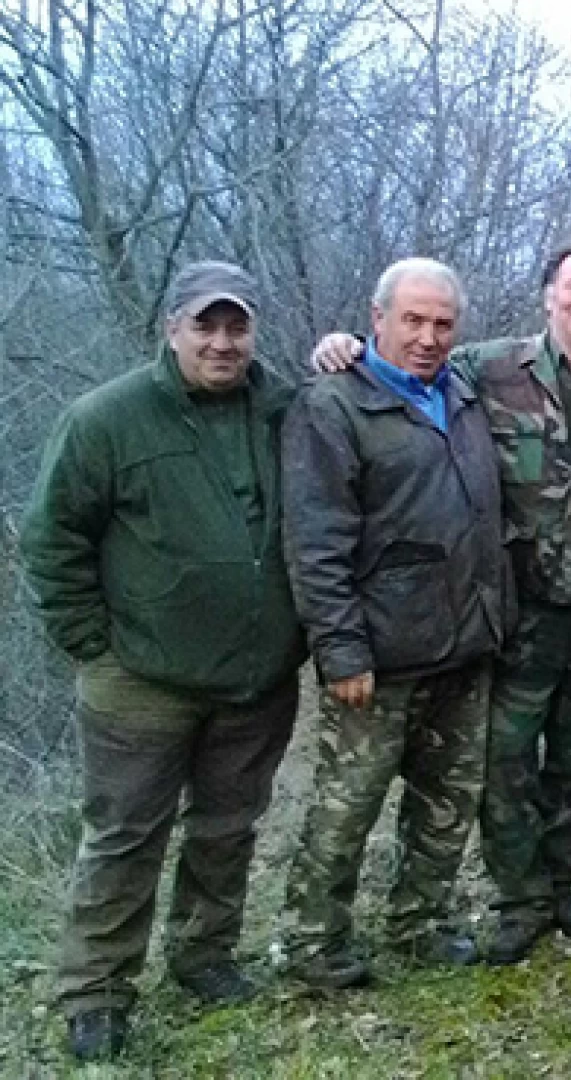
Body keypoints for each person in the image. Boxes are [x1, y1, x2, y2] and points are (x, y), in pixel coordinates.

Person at [309, 244, 571, 964]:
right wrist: (343, 346)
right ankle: (518, 900)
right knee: (507, 765)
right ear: (548, 295)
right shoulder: (483, 369)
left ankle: (560, 890)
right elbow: (401, 373)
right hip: (513, 613)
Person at [20, 262, 305, 1061]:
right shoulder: (107, 419)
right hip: (139, 679)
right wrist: (89, 641)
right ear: (170, 328)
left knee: (228, 828)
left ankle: (204, 957)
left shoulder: (283, 409)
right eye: (204, 326)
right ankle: (97, 991)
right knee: (123, 836)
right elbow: (51, 539)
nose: (221, 343)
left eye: (235, 327)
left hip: (256, 674)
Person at [278, 258, 513, 988]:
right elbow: (315, 542)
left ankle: (421, 922)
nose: (427, 336)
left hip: (465, 640)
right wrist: (341, 649)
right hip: (378, 652)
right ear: (375, 319)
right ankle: (312, 944)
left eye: (442, 323)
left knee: (447, 800)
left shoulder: (465, 393)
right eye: (412, 320)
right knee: (347, 805)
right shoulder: (334, 405)